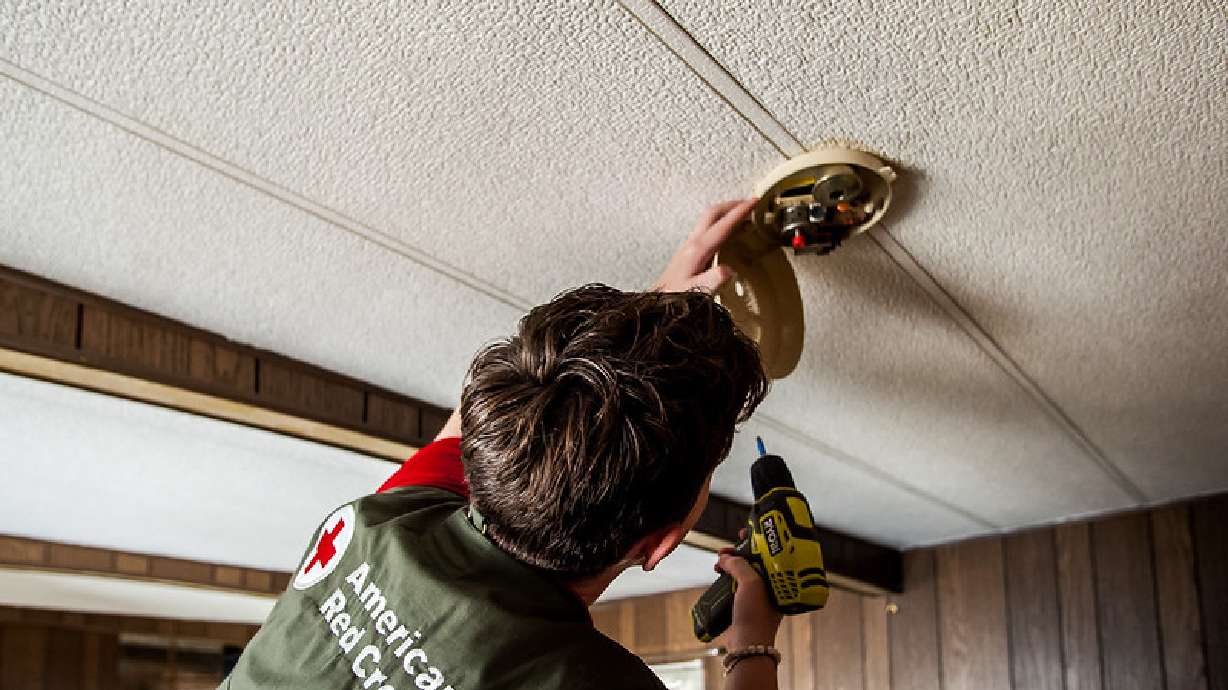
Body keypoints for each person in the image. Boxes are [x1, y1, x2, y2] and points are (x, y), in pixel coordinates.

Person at [220, 198, 785, 689]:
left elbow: (474, 426)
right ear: (659, 544)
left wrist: (647, 320)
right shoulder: (374, 527)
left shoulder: (380, 527)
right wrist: (752, 638)